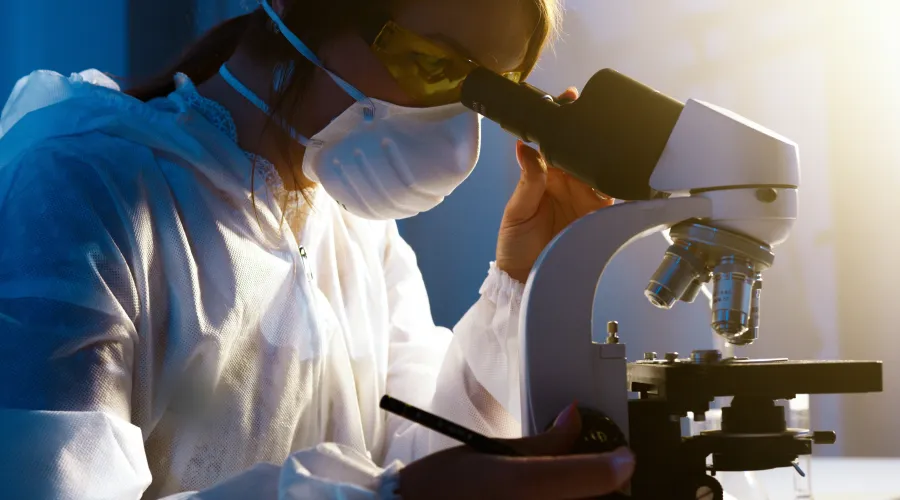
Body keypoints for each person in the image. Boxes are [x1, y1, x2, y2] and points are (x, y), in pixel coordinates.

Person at [0, 0, 631, 498]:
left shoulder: (357, 229)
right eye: (436, 64)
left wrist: (518, 281)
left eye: (490, 96)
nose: (456, 130)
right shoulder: (80, 190)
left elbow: (432, 459)